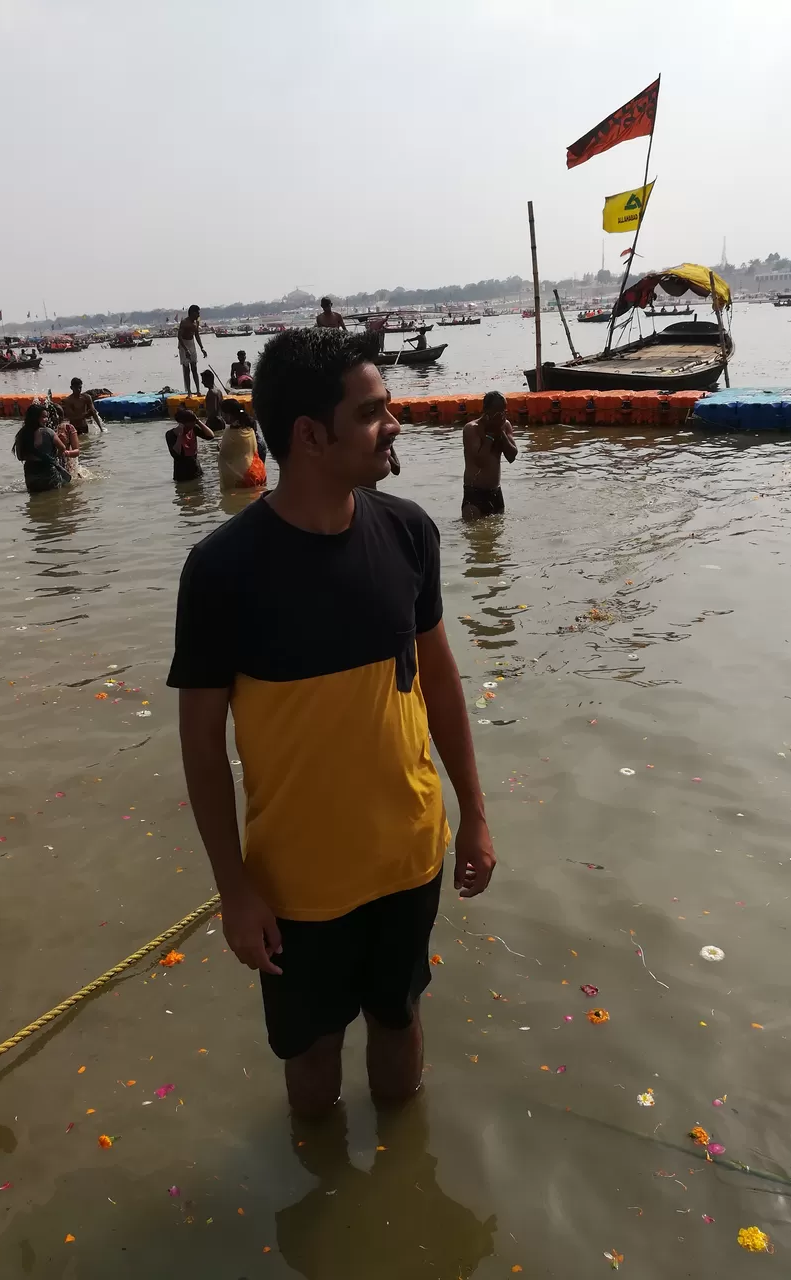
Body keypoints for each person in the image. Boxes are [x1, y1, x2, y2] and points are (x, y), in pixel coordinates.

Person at [168, 327, 496, 1116]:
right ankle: (321, 1187)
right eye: (374, 412)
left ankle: (396, 1177)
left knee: (400, 1017)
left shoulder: (409, 532)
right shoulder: (221, 572)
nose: (395, 425)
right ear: (310, 436)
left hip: (410, 857)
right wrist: (233, 889)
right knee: (312, 1053)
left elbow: (441, 684)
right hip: (297, 886)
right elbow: (202, 750)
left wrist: (475, 815)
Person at [461, 391, 518, 519]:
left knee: (497, 535)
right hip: (474, 494)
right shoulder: (471, 429)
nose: (501, 415)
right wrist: (490, 436)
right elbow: (480, 461)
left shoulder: (505, 425)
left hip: (496, 493)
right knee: (474, 534)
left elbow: (512, 456)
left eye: (503, 411)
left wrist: (500, 432)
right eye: (497, 412)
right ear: (486, 411)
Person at [12, 402, 75, 493]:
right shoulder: (48, 432)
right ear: (35, 418)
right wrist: (53, 458)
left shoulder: (21, 434)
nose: (46, 420)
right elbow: (62, 448)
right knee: (55, 500)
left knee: (34, 502)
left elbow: (20, 457)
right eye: (44, 417)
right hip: (48, 473)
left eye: (47, 417)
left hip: (31, 475)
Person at [216, 398, 267, 489]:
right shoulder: (249, 427)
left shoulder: (230, 432)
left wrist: (219, 447)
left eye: (223, 413)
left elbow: (224, 454)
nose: (222, 416)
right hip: (258, 471)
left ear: (229, 415)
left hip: (243, 478)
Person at [165, 407, 215, 482]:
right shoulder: (170, 434)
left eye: (194, 423)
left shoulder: (194, 429)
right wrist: (180, 436)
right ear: (182, 423)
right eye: (190, 424)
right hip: (181, 473)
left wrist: (198, 421)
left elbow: (210, 436)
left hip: (196, 469)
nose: (192, 426)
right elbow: (176, 454)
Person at [178, 304, 207, 395]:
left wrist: (202, 348)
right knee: (186, 369)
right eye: (197, 313)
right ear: (192, 313)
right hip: (183, 344)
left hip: (191, 343)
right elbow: (179, 336)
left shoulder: (196, 322)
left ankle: (198, 391)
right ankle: (189, 392)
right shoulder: (184, 322)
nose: (198, 315)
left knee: (194, 367)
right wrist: (186, 350)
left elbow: (197, 335)